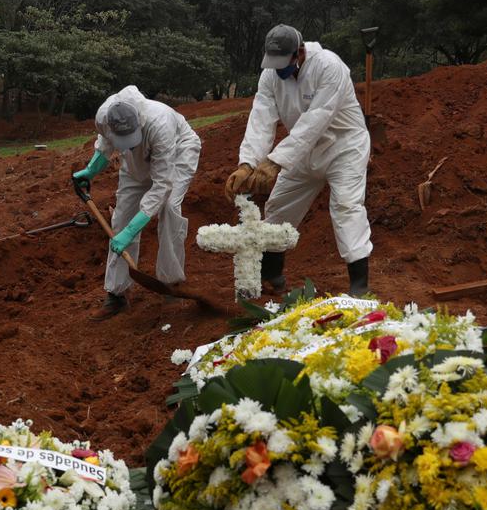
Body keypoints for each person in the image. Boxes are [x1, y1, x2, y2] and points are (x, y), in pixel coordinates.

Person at [225, 24, 373, 296]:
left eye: (284, 63)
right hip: (302, 150)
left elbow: (317, 118)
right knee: (280, 206)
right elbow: (261, 118)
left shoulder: (329, 66)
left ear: (300, 52)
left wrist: (275, 162)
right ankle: (272, 274)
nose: (279, 70)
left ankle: (359, 286)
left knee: (346, 206)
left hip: (344, 146)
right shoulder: (270, 75)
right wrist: (247, 163)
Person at [72, 85, 201, 319]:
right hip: (135, 163)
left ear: (139, 123)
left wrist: (132, 231)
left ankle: (172, 284)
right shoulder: (104, 116)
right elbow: (105, 144)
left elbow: (161, 185)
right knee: (121, 217)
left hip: (178, 153)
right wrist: (90, 170)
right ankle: (117, 294)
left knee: (170, 209)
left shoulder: (160, 125)